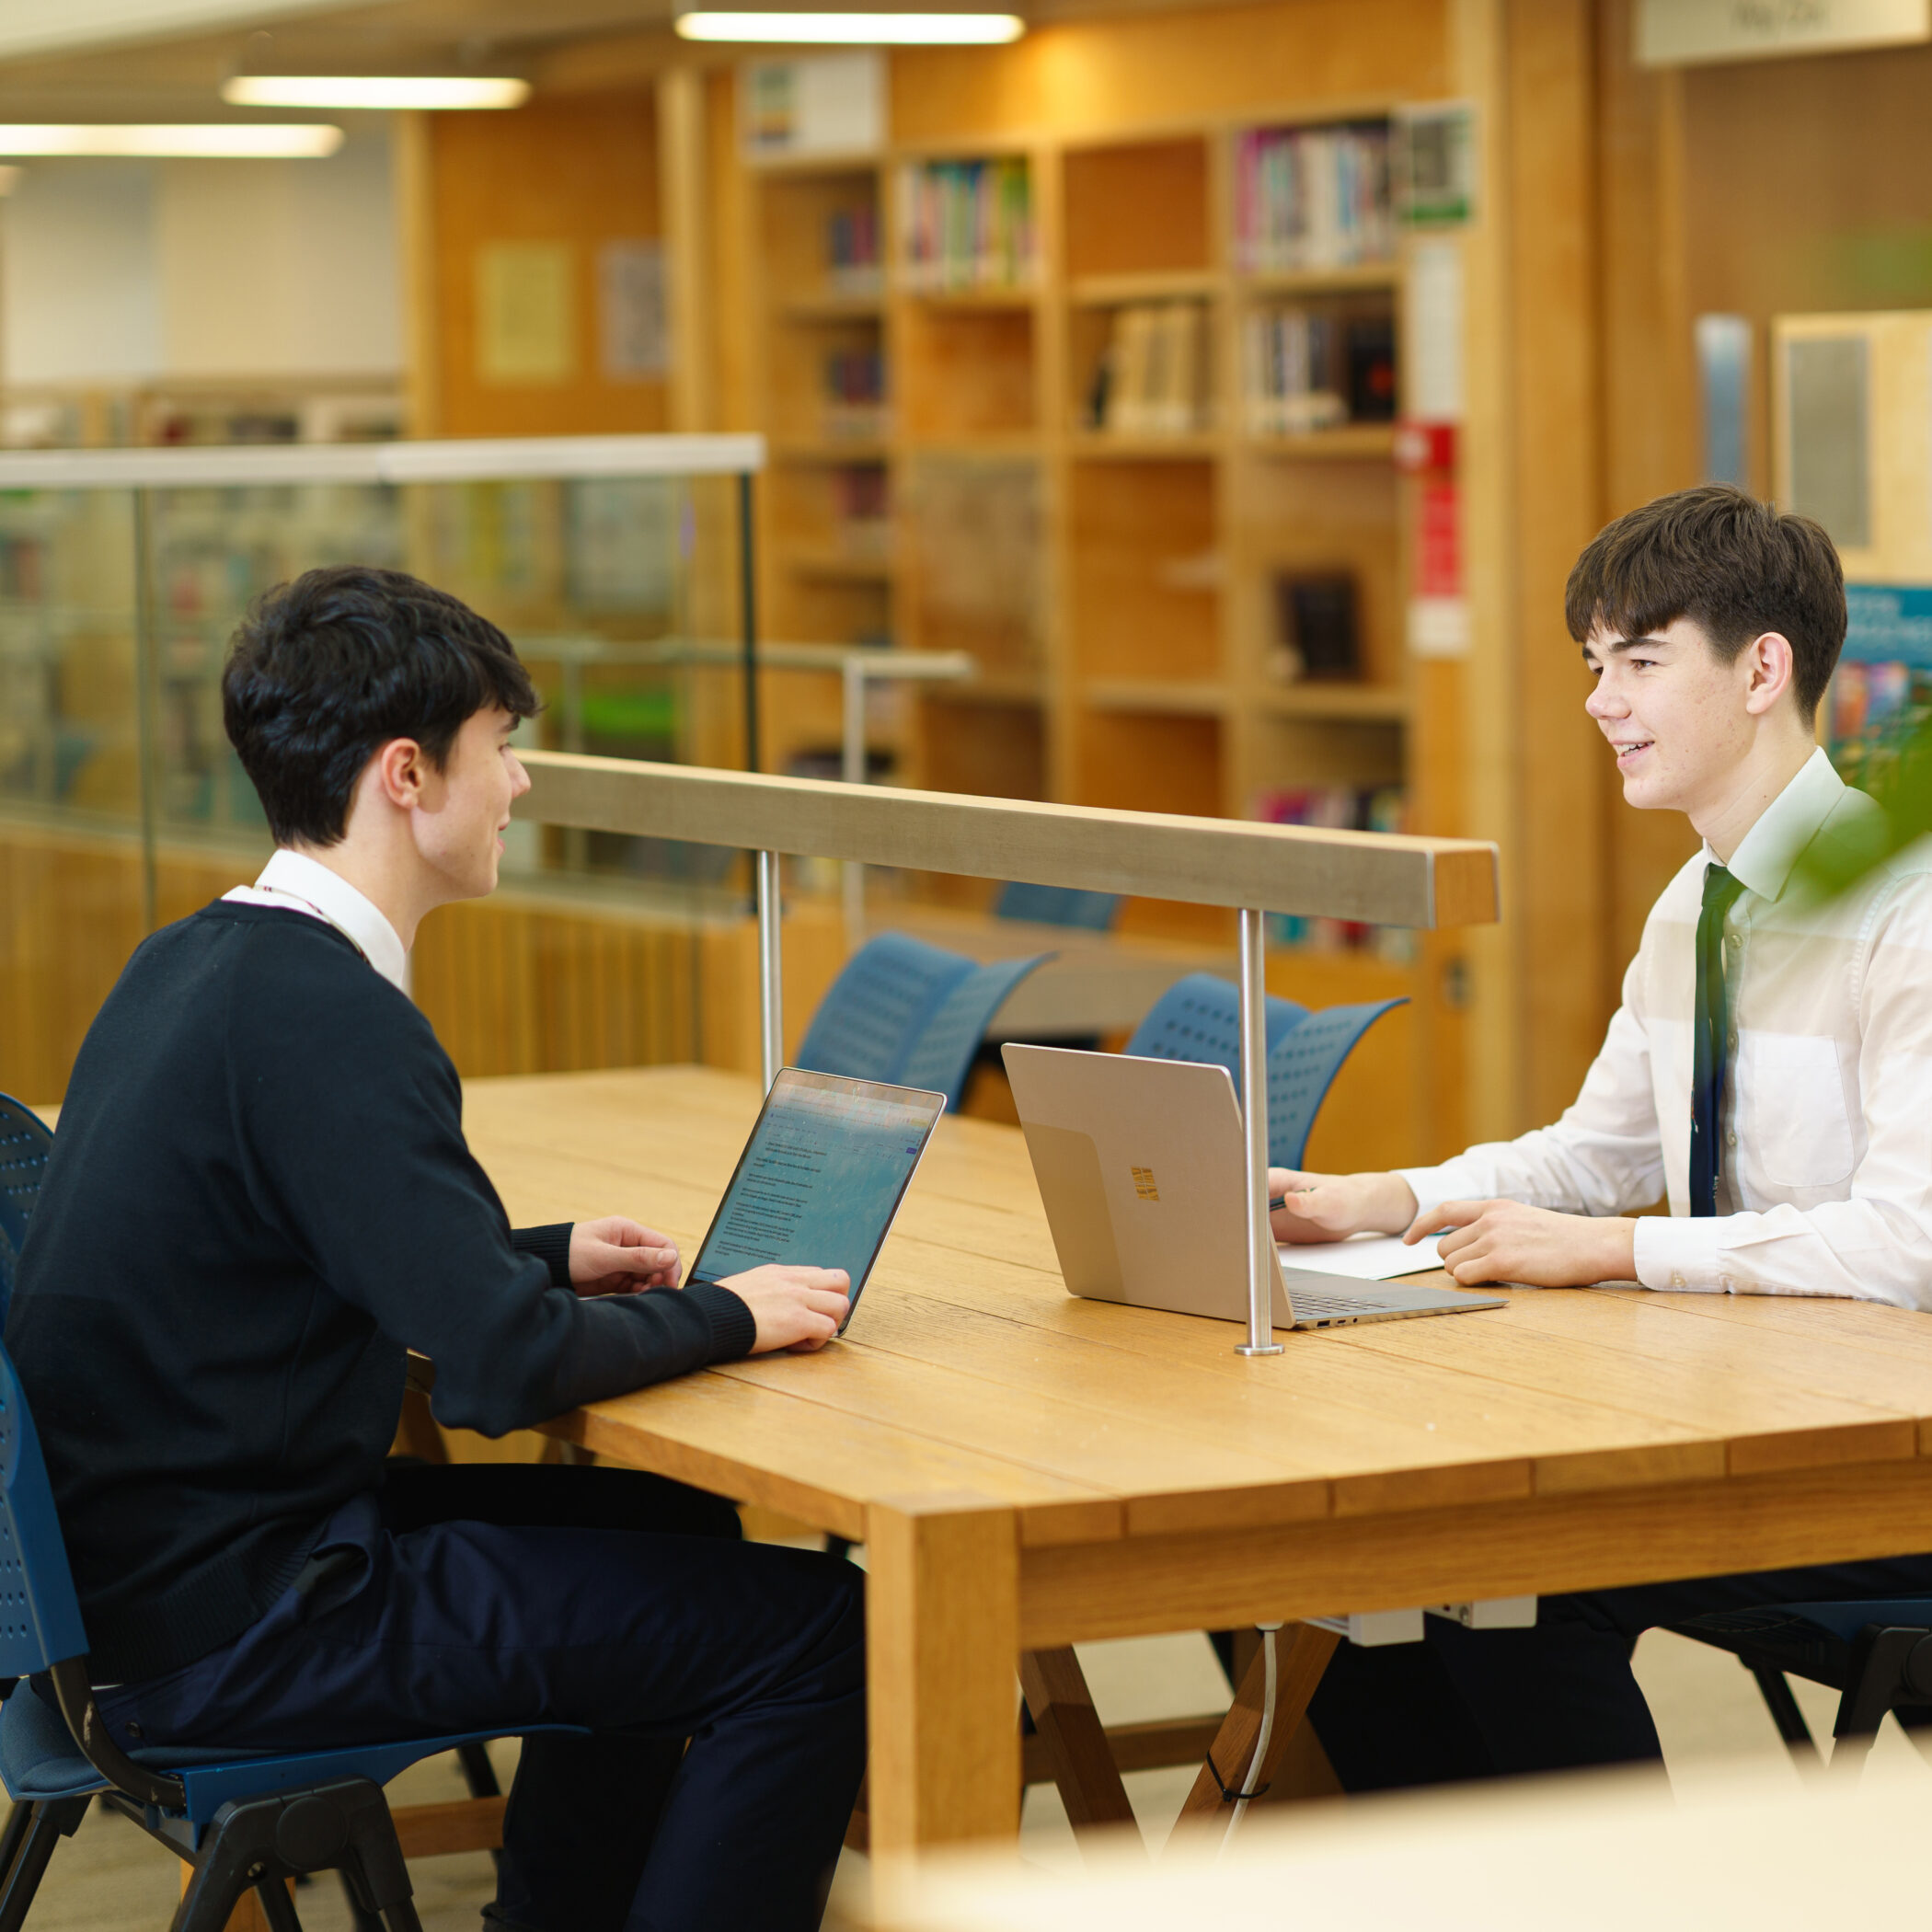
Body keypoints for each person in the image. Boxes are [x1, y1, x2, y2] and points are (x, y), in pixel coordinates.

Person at [6, 565, 865, 1930]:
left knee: (670, 1520)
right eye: (502, 747)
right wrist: (737, 1315)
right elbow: (498, 1377)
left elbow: (278, 1254)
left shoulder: (190, 963)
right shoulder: (335, 1020)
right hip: (242, 1631)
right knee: (823, 1637)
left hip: (143, 1596)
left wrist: (528, 1253)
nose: (519, 785)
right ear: (407, 774)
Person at [1264, 484, 1932, 1788]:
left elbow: (1909, 1247)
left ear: (1763, 671)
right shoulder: (1698, 905)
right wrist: (1383, 1200)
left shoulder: (1905, 910)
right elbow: (1594, 1156)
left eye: (1638, 660)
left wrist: (1620, 1254)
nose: (1599, 702)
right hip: (1743, 1421)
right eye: (1593, 664)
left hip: (1889, 1460)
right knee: (1370, 1582)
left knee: (1516, 1575)